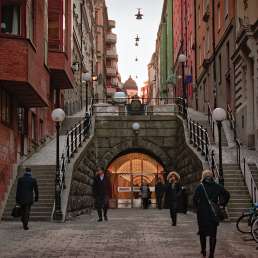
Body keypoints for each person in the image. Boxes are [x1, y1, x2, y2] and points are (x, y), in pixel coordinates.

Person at [193, 170, 230, 258]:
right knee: (213, 234)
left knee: (203, 233)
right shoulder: (217, 186)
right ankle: (211, 254)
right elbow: (227, 194)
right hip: (214, 214)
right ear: (212, 176)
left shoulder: (200, 187)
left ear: (203, 176)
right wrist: (222, 204)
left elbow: (194, 199)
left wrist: (198, 208)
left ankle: (203, 250)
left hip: (202, 214)